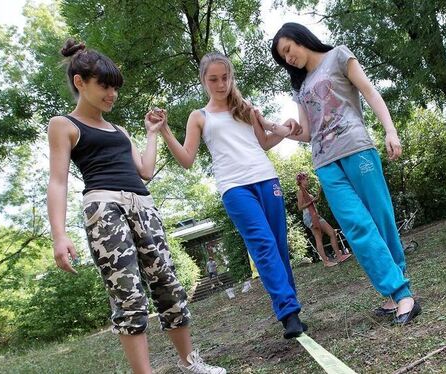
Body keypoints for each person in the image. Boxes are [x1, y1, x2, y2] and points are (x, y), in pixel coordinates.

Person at [46, 39, 225, 374]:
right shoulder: (64, 125)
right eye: (104, 86)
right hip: (104, 209)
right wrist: (59, 235)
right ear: (80, 82)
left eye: (115, 88)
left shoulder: (119, 130)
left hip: (142, 205)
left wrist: (152, 133)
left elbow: (144, 170)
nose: (112, 94)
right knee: (129, 296)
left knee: (168, 285)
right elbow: (58, 181)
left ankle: (190, 364)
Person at [269, 23, 421, 325]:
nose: (288, 58)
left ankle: (397, 292)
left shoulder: (338, 56)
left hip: (356, 149)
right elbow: (308, 133)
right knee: (356, 227)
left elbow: (370, 92)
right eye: (282, 57)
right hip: (325, 162)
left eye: (288, 49)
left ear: (302, 39)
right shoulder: (299, 86)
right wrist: (281, 130)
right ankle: (400, 293)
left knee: (380, 219)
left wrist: (390, 131)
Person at [158, 52, 309, 339]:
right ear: (204, 80)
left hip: (266, 179)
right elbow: (188, 159)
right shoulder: (199, 117)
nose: (221, 84)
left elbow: (264, 142)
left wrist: (287, 127)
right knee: (263, 245)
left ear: (231, 77)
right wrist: (165, 131)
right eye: (213, 79)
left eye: (225, 77)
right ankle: (288, 312)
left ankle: (293, 313)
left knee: (278, 245)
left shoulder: (246, 107)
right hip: (235, 188)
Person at [296, 172, 351, 266]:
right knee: (326, 235)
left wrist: (315, 200)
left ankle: (336, 257)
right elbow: (300, 207)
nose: (308, 181)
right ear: (301, 180)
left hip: (315, 215)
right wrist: (312, 201)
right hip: (310, 217)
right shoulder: (300, 192)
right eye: (306, 179)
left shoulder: (306, 191)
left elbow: (311, 203)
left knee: (329, 234)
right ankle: (329, 260)